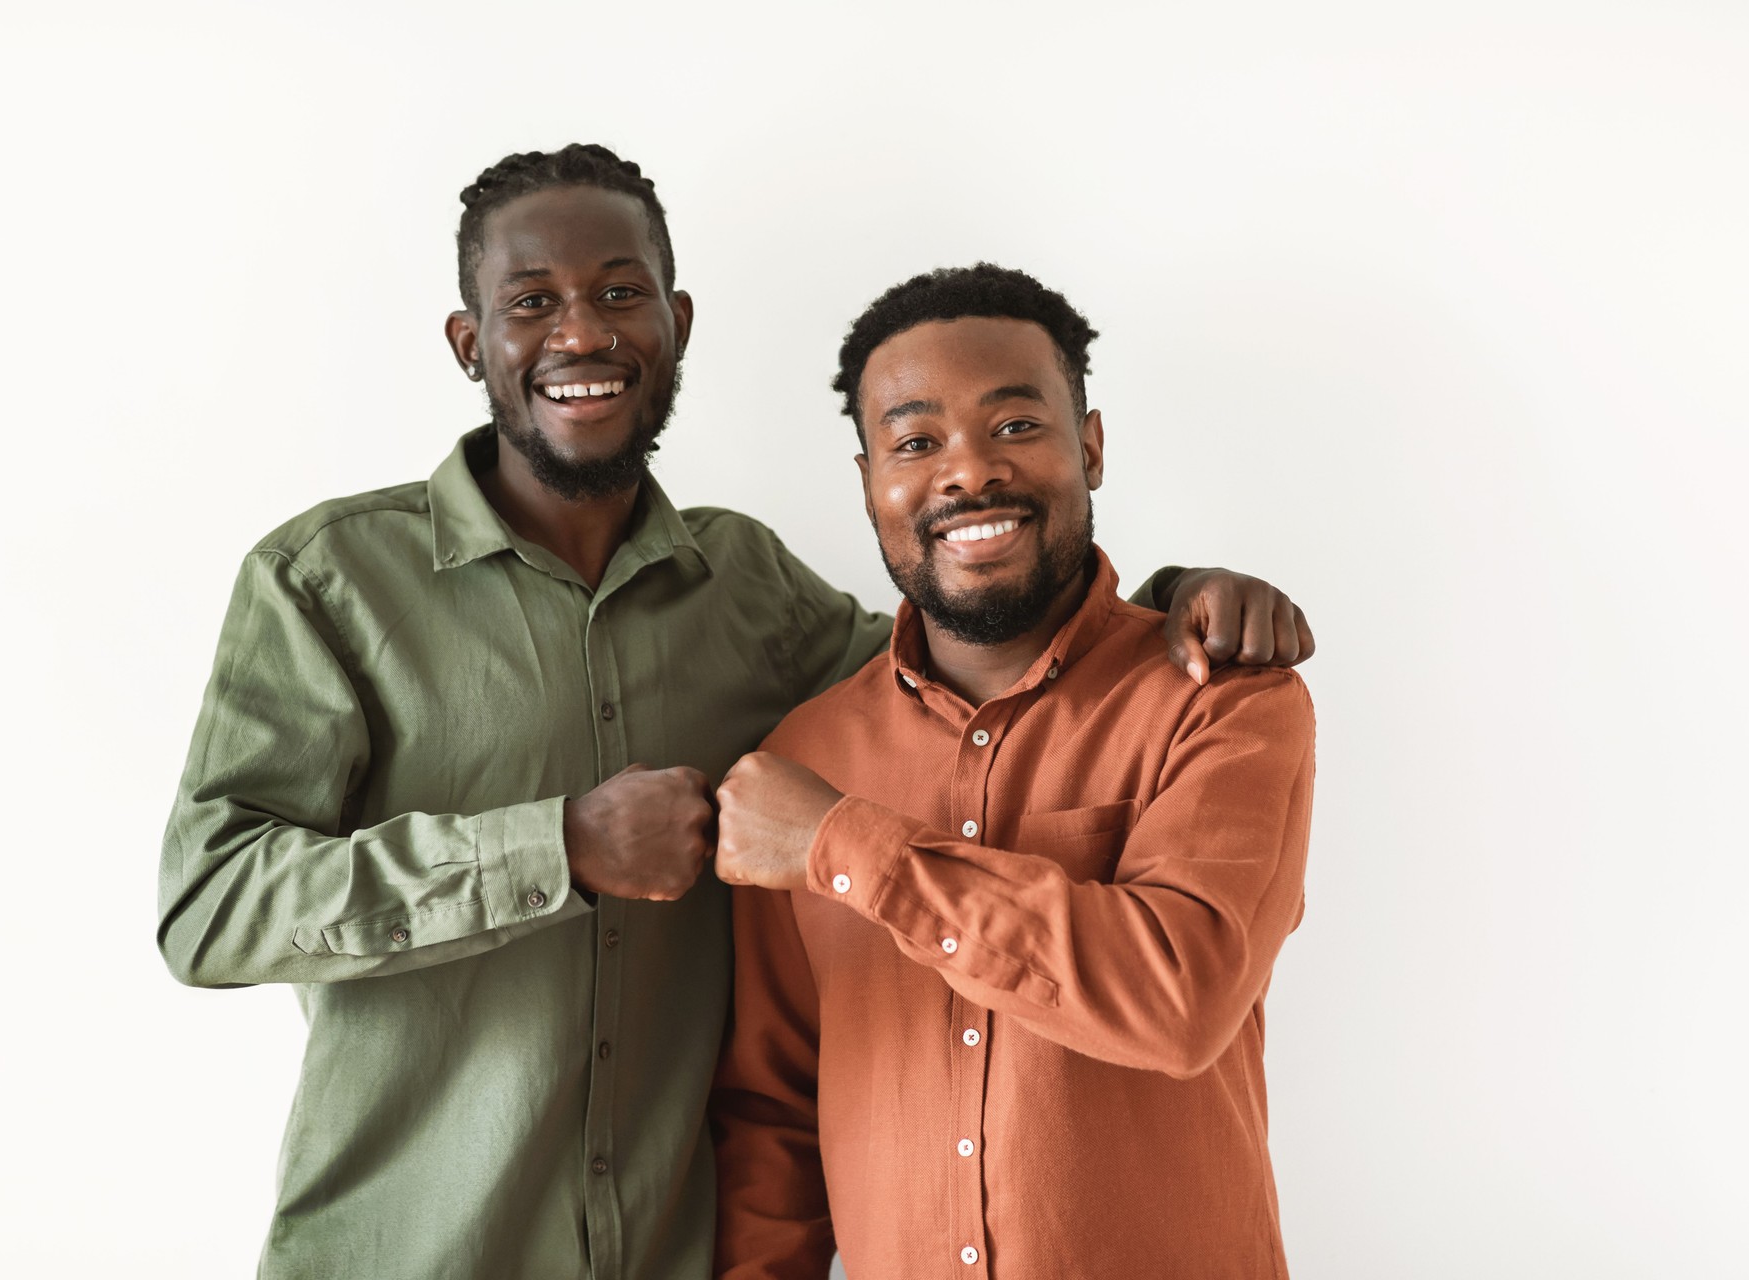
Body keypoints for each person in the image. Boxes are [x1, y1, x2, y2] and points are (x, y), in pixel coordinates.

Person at [159, 146, 1314, 1280]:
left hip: (673, 1249)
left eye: (622, 292)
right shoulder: (329, 581)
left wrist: (1178, 602)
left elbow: (977, 648)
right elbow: (207, 908)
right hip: (411, 1246)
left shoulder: (752, 592)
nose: (581, 333)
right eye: (531, 303)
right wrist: (553, 846)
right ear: (470, 343)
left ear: (677, 323)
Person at [711, 263, 1316, 1279]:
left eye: (1016, 426)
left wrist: (843, 846)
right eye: (915, 442)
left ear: (1090, 446)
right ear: (869, 481)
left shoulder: (1226, 700)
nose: (968, 472)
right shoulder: (806, 755)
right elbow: (773, 1115)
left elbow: (1177, 996)